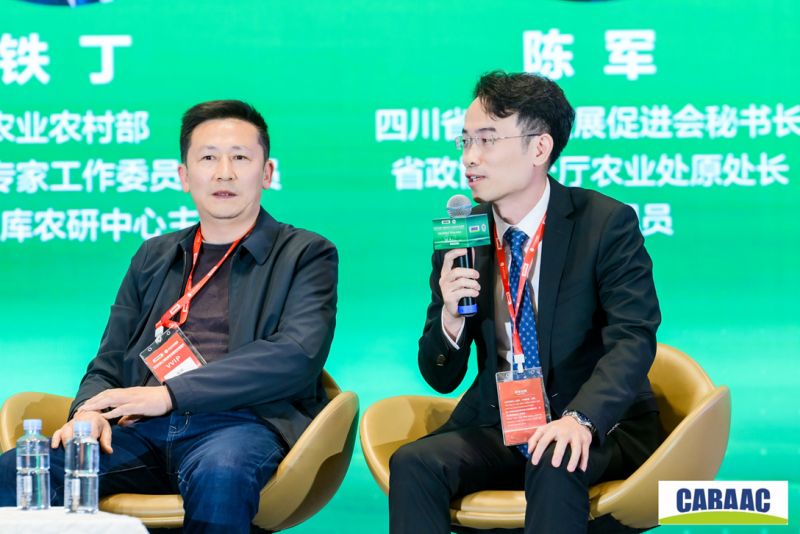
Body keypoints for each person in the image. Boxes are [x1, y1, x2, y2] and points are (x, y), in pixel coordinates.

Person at [0, 100, 339, 533]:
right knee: (17, 470)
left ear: (267, 172)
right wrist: (87, 411)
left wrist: (170, 395)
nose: (224, 173)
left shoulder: (305, 253)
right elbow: (110, 358)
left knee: (222, 475)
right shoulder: (154, 255)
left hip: (240, 425)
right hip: (139, 428)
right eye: (208, 158)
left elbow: (296, 355)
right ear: (184, 175)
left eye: (240, 158)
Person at [389, 71, 663, 534]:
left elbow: (633, 338)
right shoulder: (463, 237)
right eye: (465, 141)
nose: (469, 157)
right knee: (414, 463)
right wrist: (451, 318)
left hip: (596, 425)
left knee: (556, 457)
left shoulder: (604, 224)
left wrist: (581, 418)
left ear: (539, 148)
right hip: (504, 423)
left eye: (487, 140)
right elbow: (440, 376)